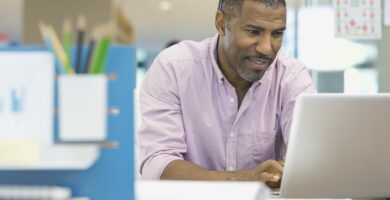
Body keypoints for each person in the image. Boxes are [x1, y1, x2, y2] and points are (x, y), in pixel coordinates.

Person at [138, 0, 315, 188]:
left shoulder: (291, 76)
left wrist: (290, 169)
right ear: (221, 23)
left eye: (277, 34)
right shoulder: (173, 68)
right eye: (253, 31)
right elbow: (158, 164)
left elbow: (312, 154)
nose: (266, 48)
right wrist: (242, 180)